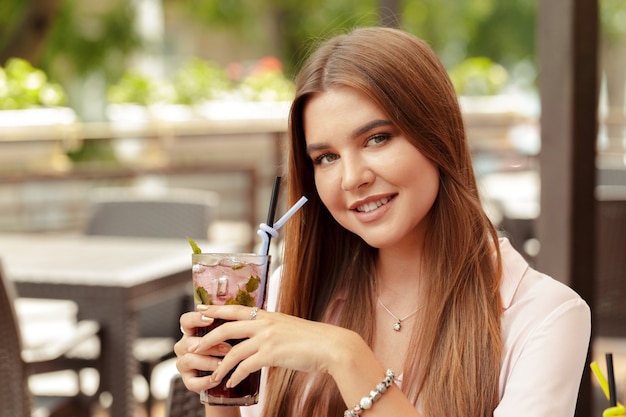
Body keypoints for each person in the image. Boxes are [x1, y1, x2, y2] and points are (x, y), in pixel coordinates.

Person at [175, 26, 591, 417]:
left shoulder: (545, 316)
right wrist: (221, 390)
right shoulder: (286, 292)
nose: (352, 178)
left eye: (376, 139)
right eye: (326, 158)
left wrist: (345, 356)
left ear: (437, 133)